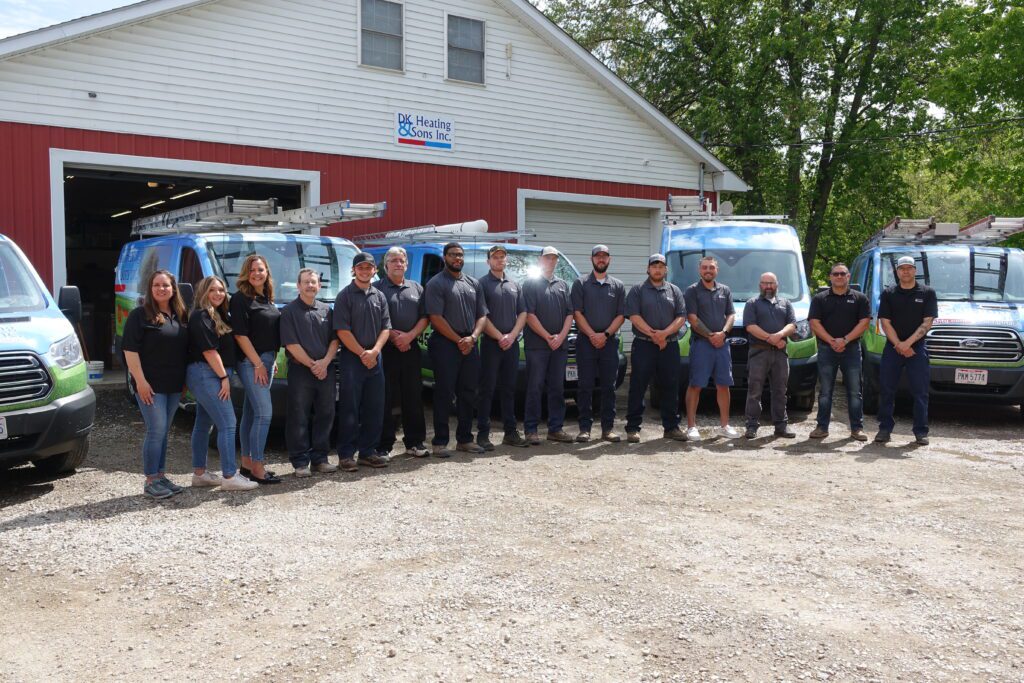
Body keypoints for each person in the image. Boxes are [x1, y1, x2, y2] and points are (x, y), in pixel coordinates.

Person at [122, 269, 190, 499]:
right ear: (150, 290)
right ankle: (151, 480)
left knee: (163, 432)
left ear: (173, 289)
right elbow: (130, 351)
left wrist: (184, 384)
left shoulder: (180, 315)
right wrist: (140, 382)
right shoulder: (139, 315)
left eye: (166, 285)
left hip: (173, 385)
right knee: (156, 430)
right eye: (157, 285)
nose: (162, 289)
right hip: (150, 386)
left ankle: (160, 476)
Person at [186, 276, 258, 492]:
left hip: (208, 373)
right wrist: (224, 378)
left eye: (221, 290)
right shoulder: (201, 316)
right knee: (228, 423)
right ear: (203, 292)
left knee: (203, 423)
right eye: (212, 290)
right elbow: (209, 351)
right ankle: (229, 476)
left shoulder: (218, 315)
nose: (217, 294)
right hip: (208, 374)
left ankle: (199, 474)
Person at [425, 242, 488, 457]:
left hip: (470, 343)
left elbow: (482, 315)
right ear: (445, 257)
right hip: (445, 344)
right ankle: (440, 442)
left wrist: (472, 338)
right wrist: (458, 340)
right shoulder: (436, 283)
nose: (457, 258)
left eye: (460, 255)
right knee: (444, 392)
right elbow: (435, 317)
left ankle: (465, 439)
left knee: (468, 393)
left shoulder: (473, 283)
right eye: (453, 255)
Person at [280, 268, 340, 477]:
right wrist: (313, 365)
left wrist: (324, 363)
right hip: (300, 371)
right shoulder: (288, 312)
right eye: (306, 282)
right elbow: (291, 344)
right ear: (298, 286)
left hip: (326, 370)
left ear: (319, 286)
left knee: (326, 413)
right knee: (299, 415)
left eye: (313, 282)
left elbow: (335, 339)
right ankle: (300, 462)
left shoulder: (327, 310)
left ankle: (320, 459)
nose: (310, 285)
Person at [334, 252, 392, 469]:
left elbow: (386, 328)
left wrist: (374, 352)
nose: (365, 271)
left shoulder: (379, 296)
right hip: (353, 358)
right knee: (350, 408)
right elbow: (342, 330)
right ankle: (346, 455)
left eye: (369, 268)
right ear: (354, 270)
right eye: (361, 268)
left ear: (375, 270)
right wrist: (362, 354)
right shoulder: (345, 296)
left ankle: (368, 452)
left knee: (374, 407)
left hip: (375, 357)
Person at [624, 254, 688, 443]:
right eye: (654, 266)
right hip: (644, 345)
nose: (657, 269)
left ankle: (671, 427)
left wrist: (664, 335)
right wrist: (655, 335)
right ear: (648, 269)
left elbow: (681, 317)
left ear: (666, 270)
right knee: (638, 386)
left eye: (661, 266)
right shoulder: (637, 290)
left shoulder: (674, 290)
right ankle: (633, 428)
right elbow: (634, 316)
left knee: (671, 386)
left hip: (669, 346)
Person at [230, 254, 282, 484]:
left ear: (267, 272)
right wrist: (259, 364)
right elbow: (240, 335)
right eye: (252, 270)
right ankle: (258, 467)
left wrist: (272, 360)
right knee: (264, 413)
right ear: (245, 273)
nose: (257, 273)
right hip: (252, 362)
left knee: (251, 413)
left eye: (260, 269)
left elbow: (268, 332)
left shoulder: (268, 298)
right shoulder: (240, 299)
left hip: (266, 360)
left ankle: (247, 464)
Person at [375, 247, 430, 460]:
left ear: (406, 264)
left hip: (411, 348)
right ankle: (383, 445)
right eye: (394, 260)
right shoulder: (377, 289)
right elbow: (377, 319)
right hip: (386, 349)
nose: (398, 263)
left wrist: (409, 337)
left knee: (413, 397)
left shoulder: (417, 288)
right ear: (386, 265)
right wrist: (393, 337)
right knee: (386, 398)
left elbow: (425, 317)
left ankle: (415, 442)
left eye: (401, 260)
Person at [876, 255, 937, 445]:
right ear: (897, 272)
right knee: (886, 389)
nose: (905, 271)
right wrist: (899, 345)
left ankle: (920, 431)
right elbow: (885, 323)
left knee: (920, 392)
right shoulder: (889, 293)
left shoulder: (927, 293)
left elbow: (927, 323)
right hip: (893, 347)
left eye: (909, 268)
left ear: (915, 271)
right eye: (902, 268)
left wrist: (908, 344)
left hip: (917, 348)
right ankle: (884, 429)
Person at [808, 262, 871, 441]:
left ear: (849, 276)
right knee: (825, 391)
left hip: (851, 349)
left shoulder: (860, 298)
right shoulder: (820, 299)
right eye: (835, 274)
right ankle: (821, 427)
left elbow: (864, 323)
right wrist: (831, 341)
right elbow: (814, 323)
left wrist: (845, 340)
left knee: (855, 391)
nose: (839, 277)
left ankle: (857, 429)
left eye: (843, 274)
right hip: (827, 349)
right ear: (830, 277)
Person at [571, 245, 626, 442]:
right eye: (597, 256)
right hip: (586, 342)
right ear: (591, 259)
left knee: (608, 387)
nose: (601, 259)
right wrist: (593, 335)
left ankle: (608, 429)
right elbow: (577, 313)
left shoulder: (618, 286)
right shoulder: (581, 283)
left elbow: (621, 315)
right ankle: (584, 428)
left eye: (604, 256)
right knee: (584, 386)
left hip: (609, 343)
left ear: (609, 259)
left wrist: (605, 334)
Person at [477, 244, 529, 449]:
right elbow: (482, 315)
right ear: (488, 261)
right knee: (487, 389)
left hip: (512, 344)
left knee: (509, 389)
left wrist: (512, 336)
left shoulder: (514, 284)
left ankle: (510, 432)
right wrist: (500, 337)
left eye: (502, 257)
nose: (499, 260)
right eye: (495, 257)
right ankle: (482, 434)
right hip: (491, 344)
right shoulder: (481, 284)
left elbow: (523, 313)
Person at [683, 256, 740, 440]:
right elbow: (692, 318)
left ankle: (725, 425)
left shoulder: (725, 290)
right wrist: (710, 336)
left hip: (722, 345)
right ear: (700, 270)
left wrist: (723, 333)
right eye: (705, 267)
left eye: (712, 267)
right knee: (696, 384)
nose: (708, 270)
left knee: (723, 384)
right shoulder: (692, 291)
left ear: (717, 270)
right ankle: (691, 427)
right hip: (701, 345)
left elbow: (731, 314)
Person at [523, 246, 574, 445]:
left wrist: (561, 337)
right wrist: (548, 337)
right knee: (534, 388)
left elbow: (570, 313)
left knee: (557, 388)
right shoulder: (530, 284)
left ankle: (555, 428)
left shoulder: (562, 285)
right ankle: (531, 429)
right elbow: (529, 315)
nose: (551, 261)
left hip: (558, 347)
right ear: (540, 260)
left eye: (554, 258)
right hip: (537, 346)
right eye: (547, 258)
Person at [742, 272, 797, 439]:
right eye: (765, 283)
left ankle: (781, 426)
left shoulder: (786, 303)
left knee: (780, 391)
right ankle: (751, 426)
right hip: (759, 353)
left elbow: (792, 325)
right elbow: (750, 326)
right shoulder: (752, 303)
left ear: (777, 285)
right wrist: (770, 339)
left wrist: (779, 336)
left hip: (780, 354)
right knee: (754, 391)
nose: (768, 286)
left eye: (771, 283)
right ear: (760, 285)